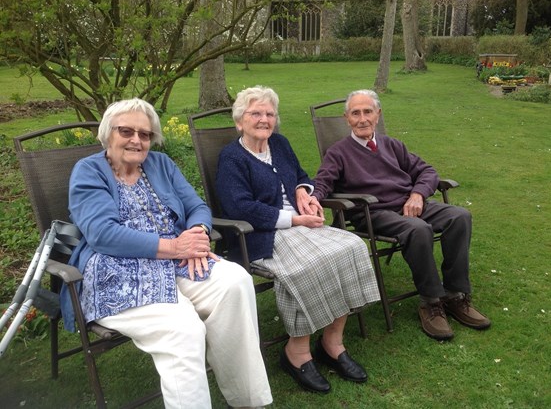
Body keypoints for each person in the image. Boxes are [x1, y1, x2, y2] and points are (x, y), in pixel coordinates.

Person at [67, 98, 272, 409]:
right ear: (108, 134)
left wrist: (197, 233)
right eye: (126, 131)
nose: (136, 140)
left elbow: (197, 207)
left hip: (178, 260)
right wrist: (176, 246)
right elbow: (102, 234)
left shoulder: (161, 165)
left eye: (145, 134)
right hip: (118, 272)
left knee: (235, 281)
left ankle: (247, 399)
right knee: (183, 329)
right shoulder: (88, 171)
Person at [216, 86, 380, 394]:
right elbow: (239, 207)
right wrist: (293, 219)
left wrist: (304, 190)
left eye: (269, 113)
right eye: (255, 114)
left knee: (352, 247)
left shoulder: (279, 143)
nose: (264, 120)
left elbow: (303, 174)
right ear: (239, 121)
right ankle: (297, 352)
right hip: (263, 235)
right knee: (304, 269)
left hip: (301, 226)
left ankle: (332, 343)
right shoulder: (232, 158)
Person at [313, 89, 491, 341]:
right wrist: (310, 197)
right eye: (355, 113)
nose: (362, 119)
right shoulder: (338, 152)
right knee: (418, 229)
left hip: (409, 203)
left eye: (367, 112)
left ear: (378, 114)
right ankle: (430, 302)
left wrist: (418, 194)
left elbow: (427, 171)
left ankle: (455, 295)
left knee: (460, 216)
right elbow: (323, 183)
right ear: (347, 119)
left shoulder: (392, 144)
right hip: (373, 211)